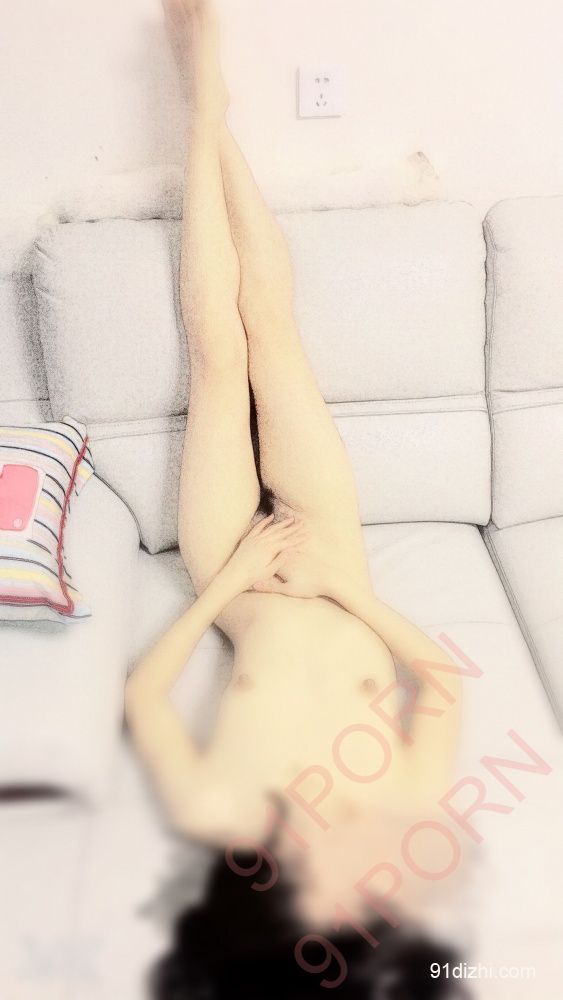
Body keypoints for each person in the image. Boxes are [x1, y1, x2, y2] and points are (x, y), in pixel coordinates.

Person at [125, 1, 467, 994]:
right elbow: (441, 682)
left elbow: (143, 695)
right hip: (329, 562)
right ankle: (215, 113)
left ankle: (201, 115)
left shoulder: (217, 815)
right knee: (274, 336)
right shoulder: (399, 811)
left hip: (235, 575)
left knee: (217, 356)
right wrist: (343, 587)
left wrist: (229, 577)